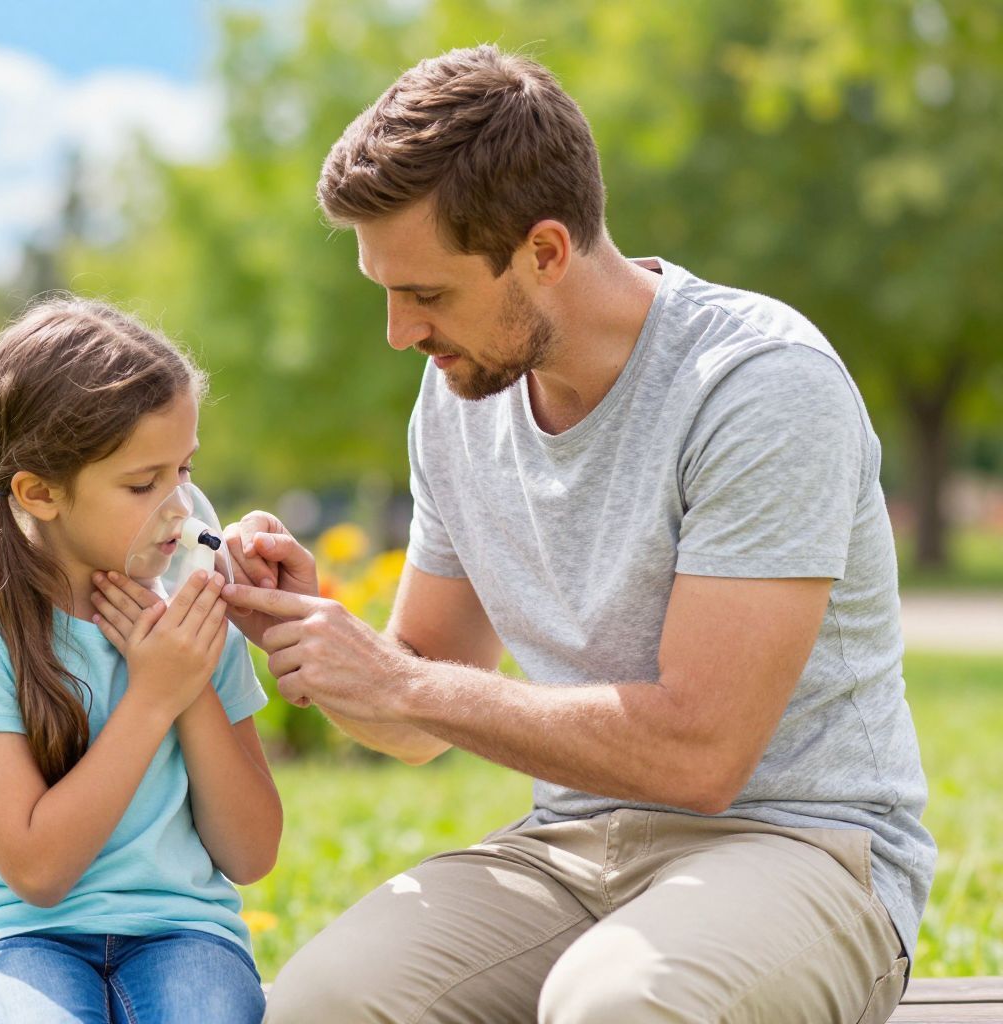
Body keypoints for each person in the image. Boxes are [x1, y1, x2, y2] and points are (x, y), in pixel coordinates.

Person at [213, 45, 933, 1023]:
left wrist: (403, 683)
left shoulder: (758, 386)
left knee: (618, 1006)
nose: (398, 332)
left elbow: (699, 756)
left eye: (426, 293)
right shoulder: (458, 397)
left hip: (801, 847)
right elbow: (416, 718)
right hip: (573, 850)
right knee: (321, 1004)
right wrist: (314, 637)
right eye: (385, 290)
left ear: (546, 252)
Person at [0, 296, 280, 1024]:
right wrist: (153, 697)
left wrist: (188, 684)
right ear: (40, 492)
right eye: (143, 483)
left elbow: (250, 854)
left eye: (184, 470)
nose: (179, 506)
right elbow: (38, 871)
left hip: (183, 934)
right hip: (12, 938)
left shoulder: (196, 621)